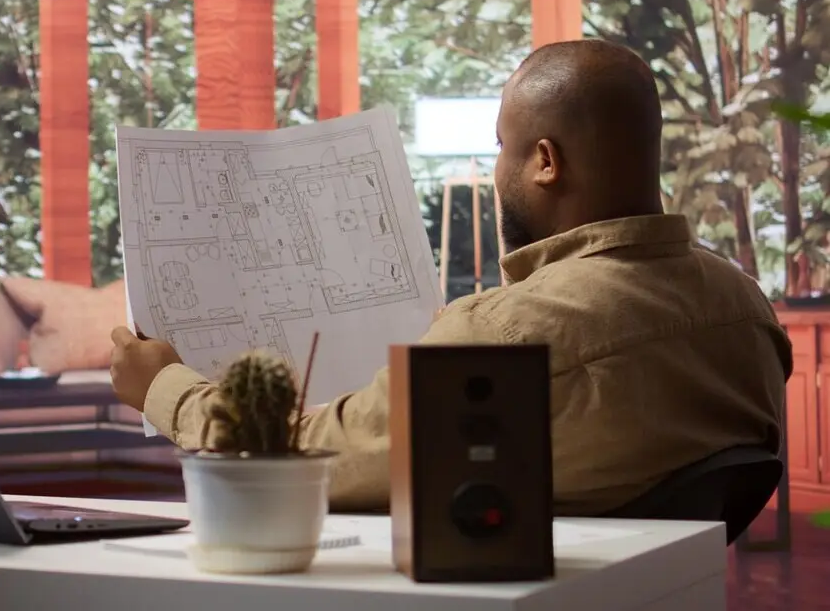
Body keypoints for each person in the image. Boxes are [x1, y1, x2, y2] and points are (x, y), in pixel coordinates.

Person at [108, 39, 791, 515]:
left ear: (545, 162)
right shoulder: (747, 312)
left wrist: (163, 387)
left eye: (502, 146)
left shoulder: (505, 334)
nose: (496, 170)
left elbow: (295, 462)